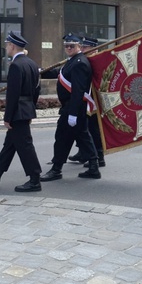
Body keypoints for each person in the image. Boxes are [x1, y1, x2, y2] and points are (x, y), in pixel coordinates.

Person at [0, 32, 42, 192]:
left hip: (17, 112)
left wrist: (7, 117)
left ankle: (35, 180)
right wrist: (31, 109)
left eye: (7, 44)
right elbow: (37, 90)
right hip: (25, 110)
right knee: (11, 144)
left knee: (25, 146)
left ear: (12, 46)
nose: (6, 47)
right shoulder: (32, 64)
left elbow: (12, 95)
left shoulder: (15, 66)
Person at [39, 33, 101, 182]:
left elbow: (78, 91)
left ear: (79, 46)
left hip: (73, 108)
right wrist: (42, 72)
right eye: (66, 45)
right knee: (83, 137)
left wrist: (72, 113)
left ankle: (56, 170)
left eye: (72, 46)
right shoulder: (73, 60)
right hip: (73, 108)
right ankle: (94, 167)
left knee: (61, 138)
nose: (68, 48)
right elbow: (61, 74)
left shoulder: (80, 62)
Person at [67, 36, 106, 168]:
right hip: (86, 97)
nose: (82, 49)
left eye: (85, 47)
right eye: (82, 47)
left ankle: (99, 157)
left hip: (94, 99)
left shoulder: (98, 60)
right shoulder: (84, 59)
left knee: (94, 128)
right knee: (83, 128)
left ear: (94, 48)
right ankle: (83, 152)